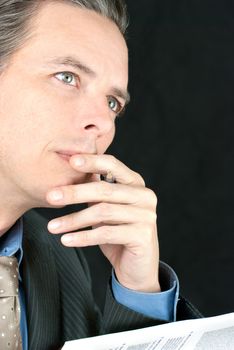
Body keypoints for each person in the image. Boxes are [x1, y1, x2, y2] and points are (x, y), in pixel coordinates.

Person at [0, 0, 201, 349]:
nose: (104, 124)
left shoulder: (58, 261)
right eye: (67, 77)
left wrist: (139, 293)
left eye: (113, 103)